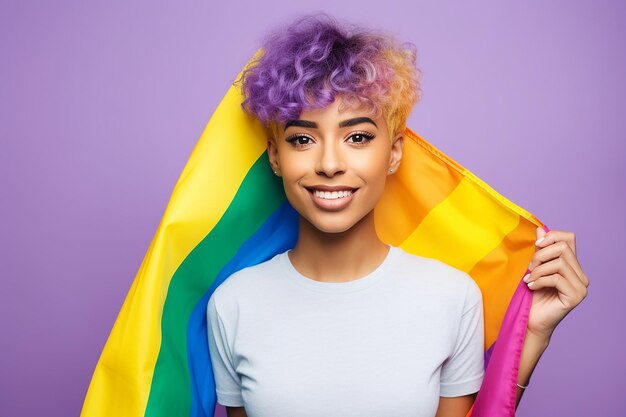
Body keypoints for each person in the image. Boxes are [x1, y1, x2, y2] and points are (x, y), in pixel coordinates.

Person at [206, 13, 589, 417]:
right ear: (275, 157)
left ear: (393, 153)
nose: (330, 163)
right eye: (302, 139)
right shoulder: (234, 303)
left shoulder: (450, 297)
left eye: (357, 137)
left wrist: (531, 336)